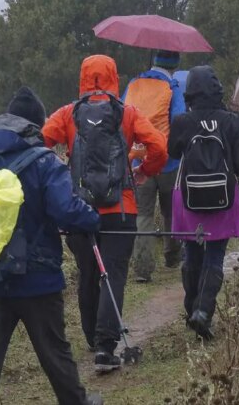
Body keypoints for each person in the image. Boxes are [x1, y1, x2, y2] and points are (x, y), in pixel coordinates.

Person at [0, 87, 104, 405]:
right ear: (37, 126)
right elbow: (67, 211)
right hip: (38, 282)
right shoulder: (46, 163)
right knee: (55, 355)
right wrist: (93, 218)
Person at [42, 55, 167, 372]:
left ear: (83, 78)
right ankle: (105, 346)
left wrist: (58, 174)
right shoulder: (126, 113)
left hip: (79, 209)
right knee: (113, 274)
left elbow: (39, 142)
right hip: (120, 208)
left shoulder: (69, 114)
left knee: (88, 274)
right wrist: (143, 170)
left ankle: (91, 337)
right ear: (114, 78)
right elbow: (159, 147)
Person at [168, 65, 239, 340]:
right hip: (223, 196)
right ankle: (203, 312)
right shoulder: (232, 121)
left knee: (191, 253)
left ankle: (191, 306)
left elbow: (172, 151)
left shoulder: (181, 122)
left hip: (188, 196)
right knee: (215, 256)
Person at [122, 50, 186, 283]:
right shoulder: (173, 87)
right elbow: (179, 121)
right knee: (171, 211)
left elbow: (122, 114)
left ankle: (143, 269)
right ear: (174, 65)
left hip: (139, 162)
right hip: (168, 162)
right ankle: (172, 256)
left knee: (143, 214)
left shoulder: (133, 83)